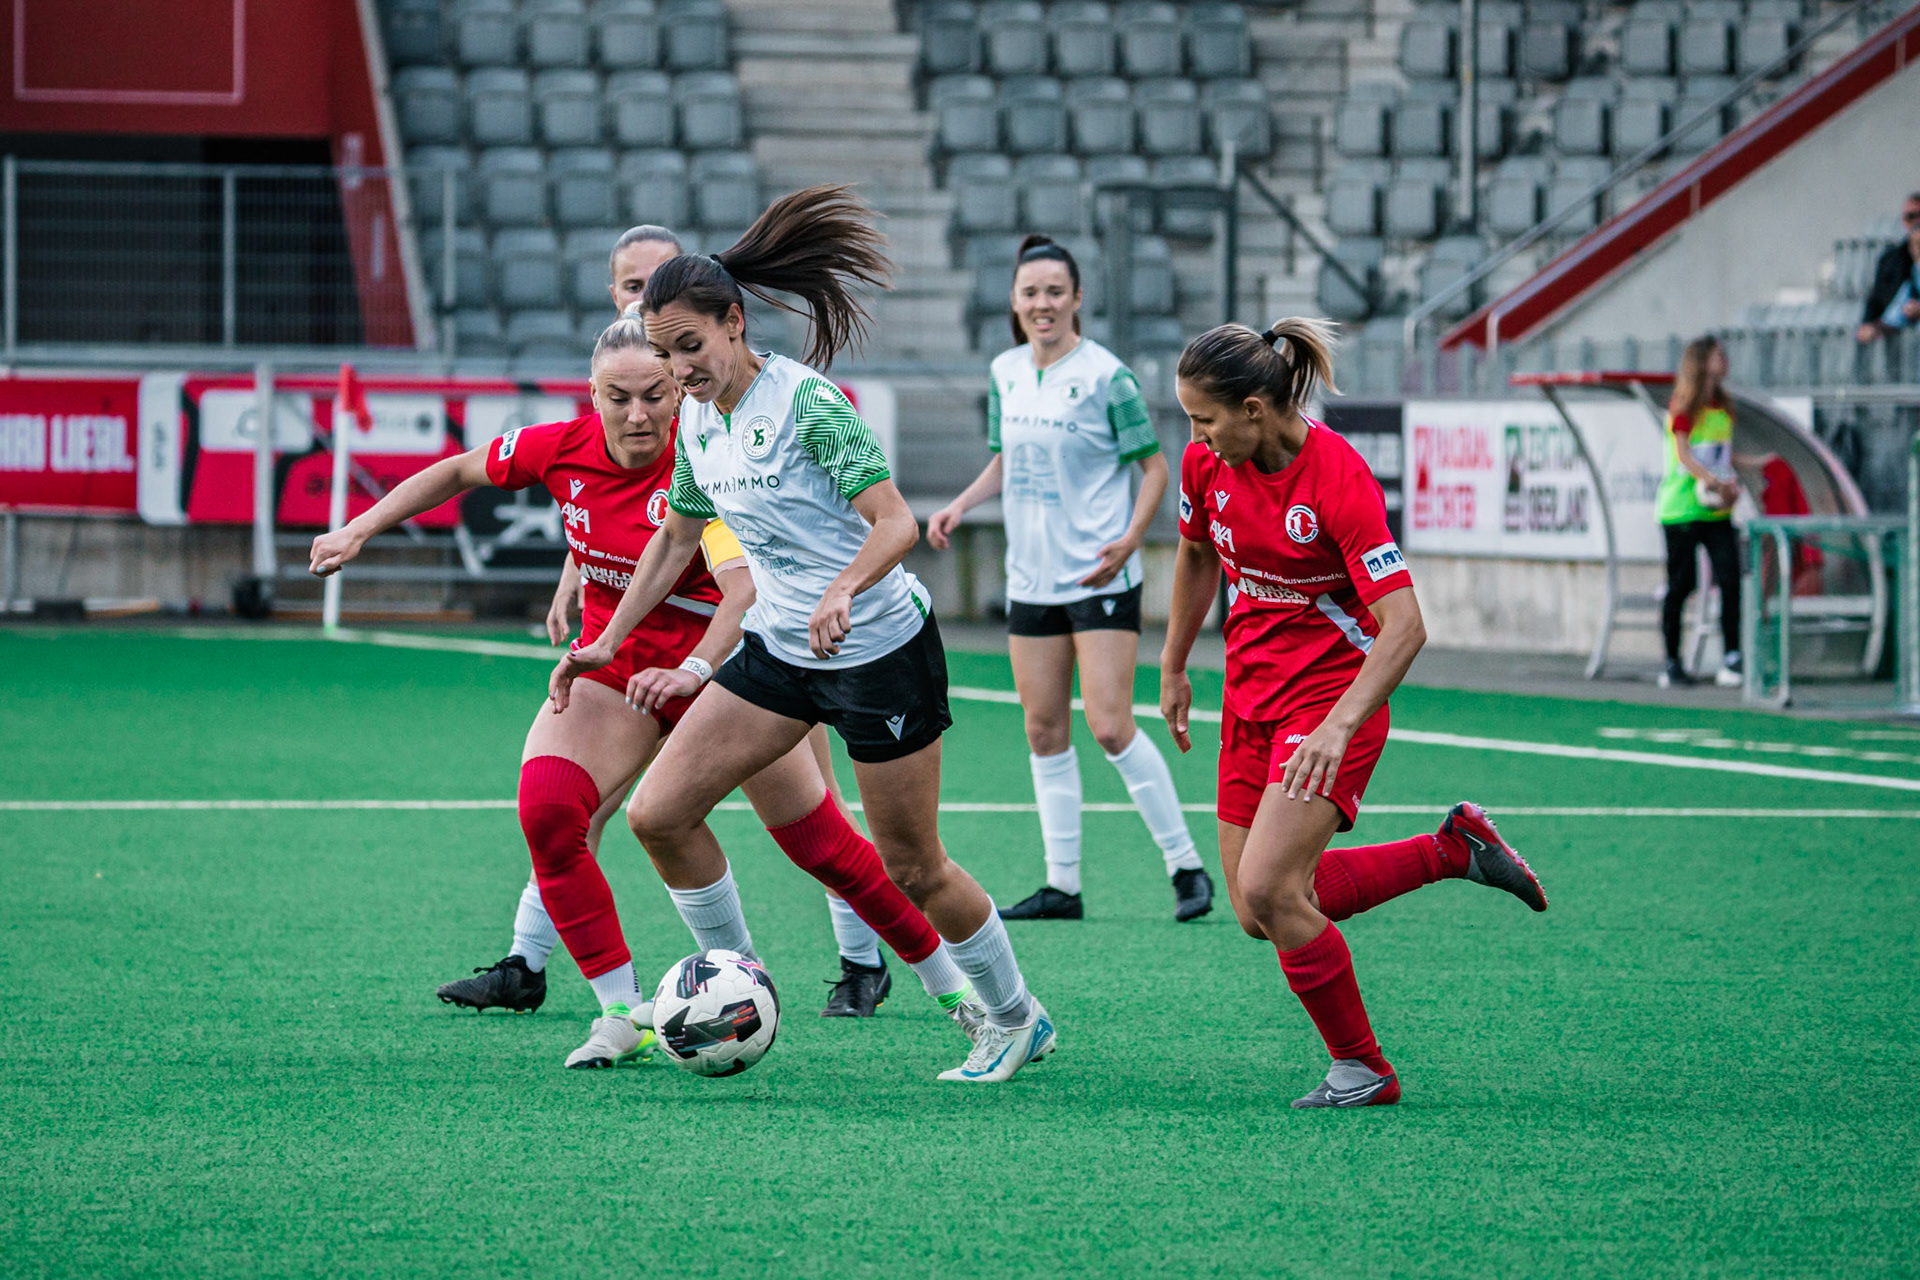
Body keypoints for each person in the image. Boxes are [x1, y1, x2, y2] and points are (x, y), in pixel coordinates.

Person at [310, 318, 975, 1070]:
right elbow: (459, 471)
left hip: (725, 675)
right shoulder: (561, 447)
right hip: (615, 672)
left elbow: (741, 592)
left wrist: (694, 669)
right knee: (551, 813)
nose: (637, 415)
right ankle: (624, 1013)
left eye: (654, 395)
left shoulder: (704, 464)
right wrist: (359, 529)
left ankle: (956, 991)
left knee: (824, 846)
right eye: (616, 398)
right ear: (590, 397)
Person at [553, 185, 1056, 1083]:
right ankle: (737, 981)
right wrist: (606, 640)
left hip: (879, 653)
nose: (678, 372)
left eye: (691, 347)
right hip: (782, 653)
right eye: (666, 355)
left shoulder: (808, 405)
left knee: (912, 863)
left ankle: (1014, 1017)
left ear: (735, 324)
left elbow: (896, 524)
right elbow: (675, 537)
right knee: (659, 815)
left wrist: (842, 592)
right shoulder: (697, 421)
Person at [455, 223, 906, 1019]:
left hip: (770, 639)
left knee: (819, 815)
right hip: (674, 653)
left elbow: (701, 537)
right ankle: (532, 960)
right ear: (616, 297)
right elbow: (622, 516)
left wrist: (798, 607)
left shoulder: (724, 406)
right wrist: (583, 582)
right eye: (631, 288)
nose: (644, 304)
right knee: (581, 807)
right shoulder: (651, 397)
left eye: (656, 285)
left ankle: (862, 960)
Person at [1160, 318, 1548, 1109]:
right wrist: (1172, 663)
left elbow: (1405, 626)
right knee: (1252, 910)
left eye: (1205, 419)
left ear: (1257, 409)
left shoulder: (1338, 479)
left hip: (1330, 700)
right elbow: (1198, 554)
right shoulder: (1207, 465)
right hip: (1251, 696)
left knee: (1272, 891)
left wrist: (1338, 725)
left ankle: (1363, 1069)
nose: (1195, 437)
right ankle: (1449, 850)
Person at [926, 234, 1212, 924]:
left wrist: (1130, 538)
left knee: (1111, 727)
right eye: (1031, 292)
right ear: (1015, 303)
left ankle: (1186, 868)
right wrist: (961, 504)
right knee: (1044, 729)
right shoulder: (1005, 372)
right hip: (1032, 577)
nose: (1043, 303)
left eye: (1055, 291)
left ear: (1077, 298)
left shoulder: (1108, 376)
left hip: (1099, 573)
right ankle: (1062, 886)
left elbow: (1153, 468)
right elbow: (1005, 460)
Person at [1655, 336, 1745, 690]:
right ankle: (1672, 661)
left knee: (1731, 580)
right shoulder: (1682, 408)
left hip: (1716, 513)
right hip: (1682, 511)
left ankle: (1733, 657)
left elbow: (1723, 458)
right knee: (1682, 584)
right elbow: (1685, 456)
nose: (1725, 361)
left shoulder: (1722, 409)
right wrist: (1714, 482)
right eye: (1718, 356)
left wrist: (1740, 476)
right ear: (1702, 362)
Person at [1854, 192, 1920, 346]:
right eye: (1911, 216)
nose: (1917, 221)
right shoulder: (1892, 260)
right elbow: (1882, 301)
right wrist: (1871, 325)